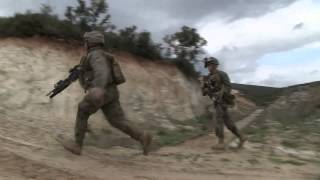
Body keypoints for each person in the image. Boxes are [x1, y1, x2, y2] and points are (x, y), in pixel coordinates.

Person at [60, 31, 153, 156]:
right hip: (111, 92)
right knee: (117, 120)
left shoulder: (95, 55)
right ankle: (142, 136)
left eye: (85, 42)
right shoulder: (101, 55)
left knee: (82, 109)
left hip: (102, 91)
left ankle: (77, 145)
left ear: (90, 43)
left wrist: (98, 88)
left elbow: (101, 71)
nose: (84, 44)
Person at [202, 57, 246, 149]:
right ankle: (241, 137)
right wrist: (205, 88)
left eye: (211, 65)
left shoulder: (222, 74)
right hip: (216, 101)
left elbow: (228, 87)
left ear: (215, 65)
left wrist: (220, 94)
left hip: (222, 101)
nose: (210, 67)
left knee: (218, 120)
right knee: (229, 123)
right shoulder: (208, 77)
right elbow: (204, 91)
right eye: (209, 65)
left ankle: (221, 143)